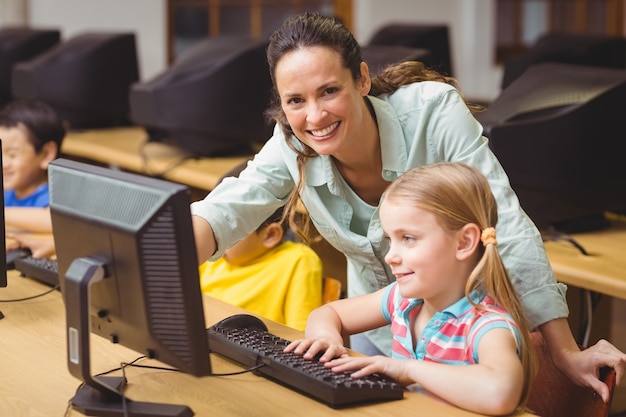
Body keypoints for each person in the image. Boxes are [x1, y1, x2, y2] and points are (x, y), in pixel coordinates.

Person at [190, 12, 626, 402]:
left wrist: (565, 349)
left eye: (329, 91)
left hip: (462, 338)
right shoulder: (291, 141)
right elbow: (228, 207)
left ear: (362, 79)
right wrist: (161, 252)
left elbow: (505, 223)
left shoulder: (432, 114)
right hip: (381, 327)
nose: (315, 116)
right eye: (295, 101)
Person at [285, 162, 537, 415]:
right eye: (389, 239)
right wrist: (326, 337)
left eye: (408, 238)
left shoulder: (487, 325)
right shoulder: (403, 301)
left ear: (464, 242)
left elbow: (499, 394)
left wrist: (407, 369)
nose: (391, 256)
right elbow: (329, 314)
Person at [199, 205, 323, 331]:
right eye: (214, 227)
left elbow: (301, 334)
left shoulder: (299, 260)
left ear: (270, 235)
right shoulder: (213, 252)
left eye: (230, 230)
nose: (216, 237)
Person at [1, 99, 65, 239]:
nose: (3, 163)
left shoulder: (52, 197)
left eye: (12, 154)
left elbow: (54, 221)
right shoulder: (9, 192)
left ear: (46, 154)